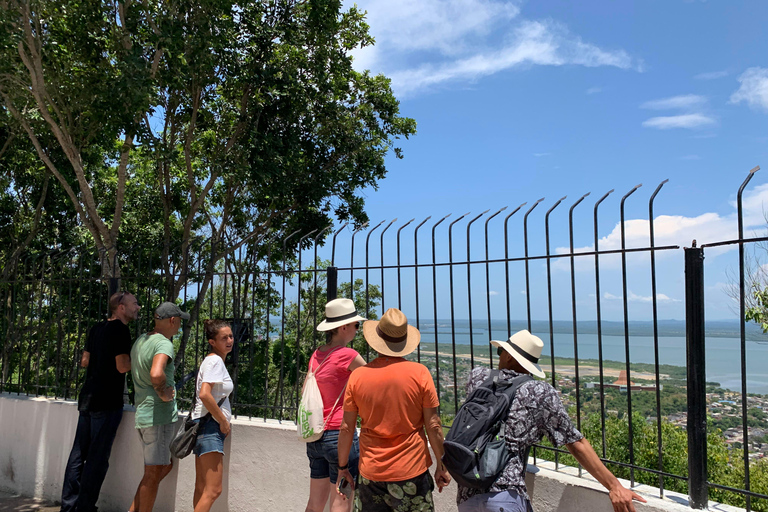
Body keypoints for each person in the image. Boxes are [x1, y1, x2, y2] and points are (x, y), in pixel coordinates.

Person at [456, 330, 647, 512]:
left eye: (500, 351)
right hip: (505, 493)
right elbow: (575, 443)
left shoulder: (477, 377)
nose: (498, 356)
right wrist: (614, 486)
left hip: (467, 492)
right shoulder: (539, 392)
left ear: (509, 356)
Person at [337, 308, 451, 512]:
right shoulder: (420, 374)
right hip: (412, 470)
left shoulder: (358, 376)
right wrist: (441, 465)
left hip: (371, 473)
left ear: (377, 340)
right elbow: (433, 425)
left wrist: (342, 467)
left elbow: (347, 427)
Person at [60, 291, 140, 512]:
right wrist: (141, 360)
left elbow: (85, 361)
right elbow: (122, 366)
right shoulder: (121, 330)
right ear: (121, 307)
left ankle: (68, 507)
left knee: (78, 455)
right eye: (134, 304)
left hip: (87, 398)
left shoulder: (96, 328)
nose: (138, 307)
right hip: (106, 401)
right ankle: (85, 508)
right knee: (97, 459)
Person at [305, 298, 367, 512]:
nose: (357, 330)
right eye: (356, 325)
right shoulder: (348, 355)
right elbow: (372, 384)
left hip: (316, 434)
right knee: (341, 503)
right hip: (339, 435)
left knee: (314, 504)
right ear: (343, 327)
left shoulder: (316, 354)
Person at [129, 302, 188, 512]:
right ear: (172, 320)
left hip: (144, 416)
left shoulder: (140, 341)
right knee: (152, 475)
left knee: (159, 468)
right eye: (179, 321)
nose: (180, 325)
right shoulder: (163, 343)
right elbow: (156, 373)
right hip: (158, 417)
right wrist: (163, 392)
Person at [191, 319, 235, 512]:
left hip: (202, 425)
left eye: (231, 336)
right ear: (212, 342)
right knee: (213, 490)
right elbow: (204, 394)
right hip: (211, 427)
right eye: (224, 338)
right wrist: (223, 422)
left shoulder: (212, 361)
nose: (229, 340)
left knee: (202, 487)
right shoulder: (215, 361)